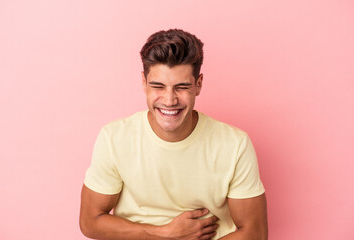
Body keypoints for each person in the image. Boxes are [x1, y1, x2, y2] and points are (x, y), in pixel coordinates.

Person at [80, 29, 268, 240]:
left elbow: (255, 233)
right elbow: (90, 222)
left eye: (182, 87)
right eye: (158, 86)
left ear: (198, 84)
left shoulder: (235, 145)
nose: (169, 100)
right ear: (144, 83)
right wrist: (165, 234)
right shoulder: (114, 138)